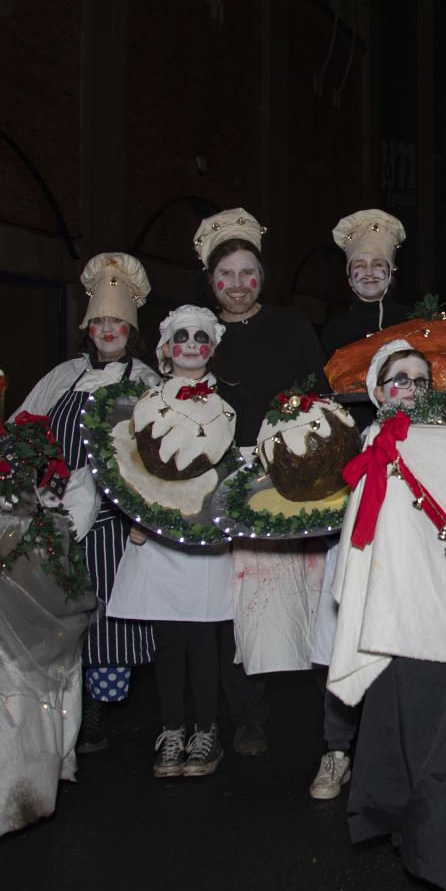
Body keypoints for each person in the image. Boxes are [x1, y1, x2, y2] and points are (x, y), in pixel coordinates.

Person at [193, 209, 330, 756]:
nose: (237, 285)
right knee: (245, 593)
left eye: (247, 273)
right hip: (234, 476)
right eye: (225, 276)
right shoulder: (198, 334)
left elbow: (318, 391)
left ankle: (332, 716)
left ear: (262, 278)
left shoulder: (293, 323)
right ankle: (247, 715)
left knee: (313, 586)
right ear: (211, 283)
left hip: (296, 468)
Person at [13, 252, 162, 753]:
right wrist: (38, 481)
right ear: (87, 326)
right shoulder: (62, 376)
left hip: (114, 521)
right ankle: (61, 703)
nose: (107, 329)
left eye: (116, 320)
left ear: (131, 327)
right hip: (54, 510)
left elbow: (161, 450)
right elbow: (21, 430)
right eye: (99, 320)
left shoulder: (145, 381)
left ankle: (97, 707)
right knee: (57, 608)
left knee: (105, 611)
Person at [107, 305, 236, 778]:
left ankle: (206, 731)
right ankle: (171, 729)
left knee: (203, 637)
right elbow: (124, 464)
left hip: (204, 534)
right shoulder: (144, 401)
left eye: (201, 338)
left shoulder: (226, 407)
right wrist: (134, 516)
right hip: (158, 535)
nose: (190, 345)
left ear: (213, 349)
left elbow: (230, 472)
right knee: (169, 639)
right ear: (166, 347)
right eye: (181, 337)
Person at [309, 339, 433, 801]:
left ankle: (399, 760)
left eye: (422, 381)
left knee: (404, 664)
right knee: (349, 651)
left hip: (412, 572)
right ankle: (337, 752)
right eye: (400, 379)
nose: (412, 389)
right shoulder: (356, 439)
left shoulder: (440, 441)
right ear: (380, 392)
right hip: (361, 560)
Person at [321, 209, 411, 355]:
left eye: (377, 264)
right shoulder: (335, 332)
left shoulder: (413, 322)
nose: (369, 273)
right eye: (360, 266)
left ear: (390, 275)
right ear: (350, 280)